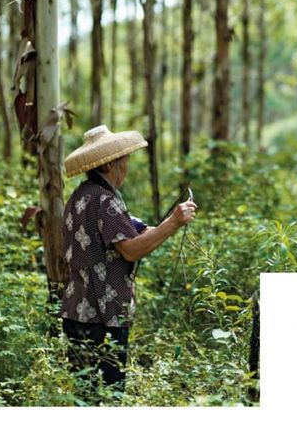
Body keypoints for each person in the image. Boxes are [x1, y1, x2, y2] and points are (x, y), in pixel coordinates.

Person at [60, 124, 196, 394]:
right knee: (111, 394)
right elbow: (131, 250)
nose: (127, 167)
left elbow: (124, 232)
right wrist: (173, 222)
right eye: (125, 161)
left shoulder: (80, 196)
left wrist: (156, 228)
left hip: (76, 312)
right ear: (110, 164)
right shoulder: (105, 200)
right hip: (103, 316)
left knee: (83, 396)